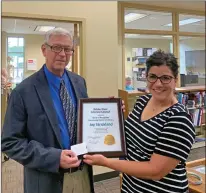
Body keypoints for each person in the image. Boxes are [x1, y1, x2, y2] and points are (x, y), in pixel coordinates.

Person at [83, 50, 196, 193]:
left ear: (176, 80)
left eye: (166, 78)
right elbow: (132, 136)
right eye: (152, 77)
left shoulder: (179, 119)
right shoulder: (142, 101)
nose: (158, 83)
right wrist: (113, 114)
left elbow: (155, 171)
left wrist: (106, 162)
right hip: (131, 187)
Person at [1, 27, 94, 193]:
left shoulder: (79, 82)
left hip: (82, 174)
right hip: (46, 181)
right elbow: (10, 142)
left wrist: (111, 111)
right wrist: (54, 158)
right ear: (44, 50)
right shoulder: (23, 91)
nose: (62, 54)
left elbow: (86, 122)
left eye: (67, 49)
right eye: (56, 48)